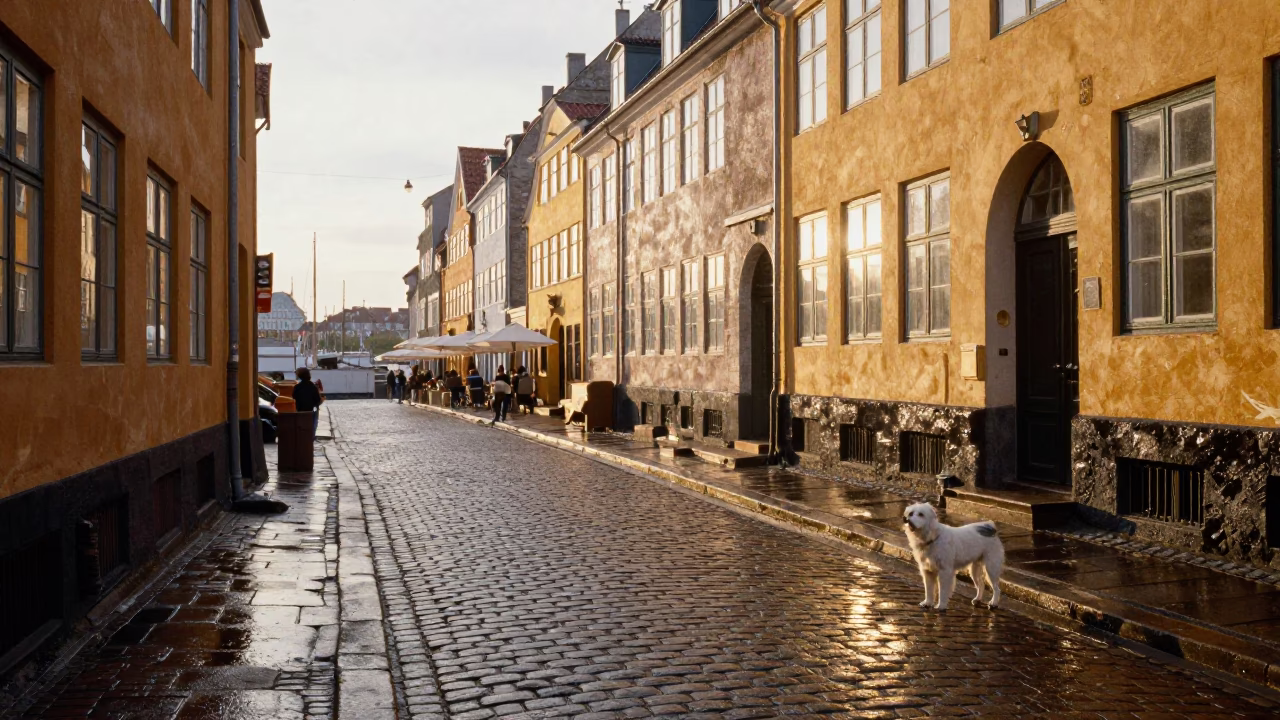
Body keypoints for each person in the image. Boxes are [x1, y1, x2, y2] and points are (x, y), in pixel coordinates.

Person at [292, 367, 324, 439]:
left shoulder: (297, 387)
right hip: (312, 411)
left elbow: (294, 398)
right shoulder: (313, 386)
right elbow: (317, 400)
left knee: (302, 430)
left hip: (301, 411)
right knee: (312, 428)